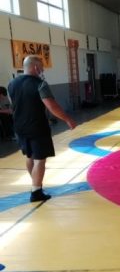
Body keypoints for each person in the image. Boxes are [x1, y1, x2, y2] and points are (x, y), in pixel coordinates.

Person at [8, 55, 77, 202]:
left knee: (29, 156)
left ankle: (35, 184)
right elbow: (51, 106)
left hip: (19, 126)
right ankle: (36, 192)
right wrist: (67, 119)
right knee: (40, 159)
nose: (43, 70)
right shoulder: (40, 84)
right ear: (35, 67)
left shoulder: (12, 83)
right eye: (41, 67)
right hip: (37, 126)